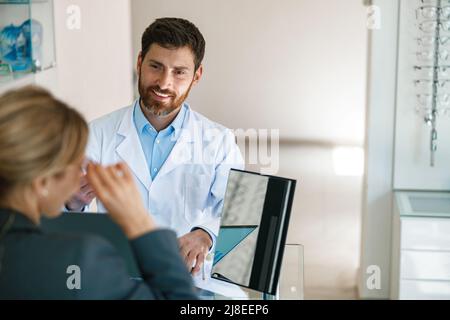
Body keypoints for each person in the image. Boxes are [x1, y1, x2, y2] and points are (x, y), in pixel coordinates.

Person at [65, 17, 244, 275]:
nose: (164, 83)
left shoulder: (219, 141)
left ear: (197, 75)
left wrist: (206, 234)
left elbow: (239, 213)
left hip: (189, 282)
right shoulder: (96, 134)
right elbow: (55, 219)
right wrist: (73, 202)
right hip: (118, 276)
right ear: (139, 63)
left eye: (179, 72)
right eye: (156, 66)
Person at [0, 86, 198, 299]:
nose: (80, 173)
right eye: (75, 163)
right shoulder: (76, 261)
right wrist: (139, 221)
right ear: (42, 182)